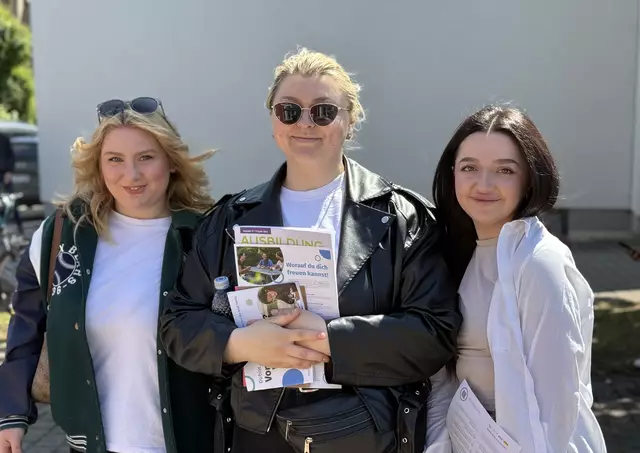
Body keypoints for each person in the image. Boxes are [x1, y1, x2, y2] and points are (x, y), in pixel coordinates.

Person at [160, 48, 461, 453]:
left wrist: (327, 339)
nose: (304, 123)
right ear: (273, 121)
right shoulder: (229, 220)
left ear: (350, 122)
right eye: (289, 111)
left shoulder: (402, 217)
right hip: (258, 435)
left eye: (323, 112)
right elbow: (178, 323)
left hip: (366, 435)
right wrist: (241, 343)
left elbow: (434, 333)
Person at [0, 98, 217, 453]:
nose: (131, 175)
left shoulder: (206, 238)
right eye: (115, 159)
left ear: (171, 162)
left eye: (146, 157)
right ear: (98, 166)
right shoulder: (62, 234)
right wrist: (11, 413)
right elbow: (26, 325)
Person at [427, 105, 607, 452]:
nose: (484, 184)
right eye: (469, 168)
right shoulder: (458, 253)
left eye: (505, 170)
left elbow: (556, 406)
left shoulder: (539, 263)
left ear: (529, 179)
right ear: (453, 174)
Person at [0, 131, 23, 234]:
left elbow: (11, 157)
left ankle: (20, 229)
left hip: (4, 174)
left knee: (11, 202)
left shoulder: (3, 139)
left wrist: (9, 171)